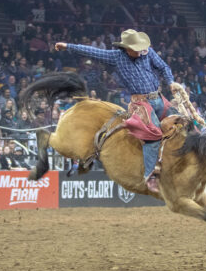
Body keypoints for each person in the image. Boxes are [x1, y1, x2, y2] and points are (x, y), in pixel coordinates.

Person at [55, 29, 183, 193]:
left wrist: (171, 82)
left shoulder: (147, 52)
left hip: (158, 98)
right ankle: (150, 176)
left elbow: (164, 67)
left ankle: (197, 150)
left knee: (181, 121)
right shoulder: (116, 57)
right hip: (140, 104)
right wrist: (68, 46)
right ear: (127, 48)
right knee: (153, 135)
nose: (139, 50)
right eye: (135, 48)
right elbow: (92, 52)